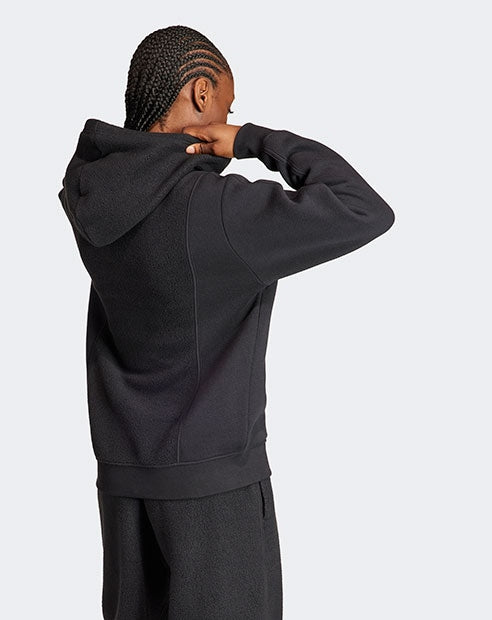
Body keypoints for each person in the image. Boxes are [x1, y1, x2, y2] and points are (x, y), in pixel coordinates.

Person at [58, 24, 395, 620]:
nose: (228, 119)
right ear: (202, 92)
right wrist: (252, 140)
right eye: (228, 107)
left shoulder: (94, 198)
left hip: (125, 488)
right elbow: (363, 208)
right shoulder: (217, 211)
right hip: (214, 497)